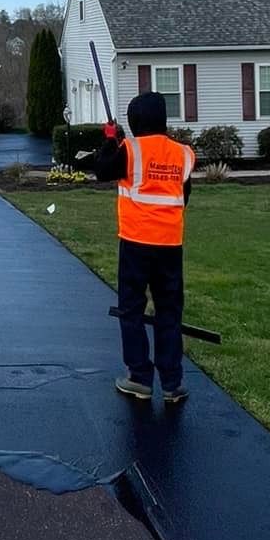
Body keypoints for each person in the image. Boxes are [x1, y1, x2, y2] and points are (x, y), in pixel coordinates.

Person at [84, 90, 196, 405]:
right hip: (170, 245)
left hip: (135, 243)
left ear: (135, 120)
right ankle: (172, 383)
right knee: (169, 312)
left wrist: (109, 140)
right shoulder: (182, 154)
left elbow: (102, 169)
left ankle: (139, 377)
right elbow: (184, 194)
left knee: (131, 309)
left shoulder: (130, 150)